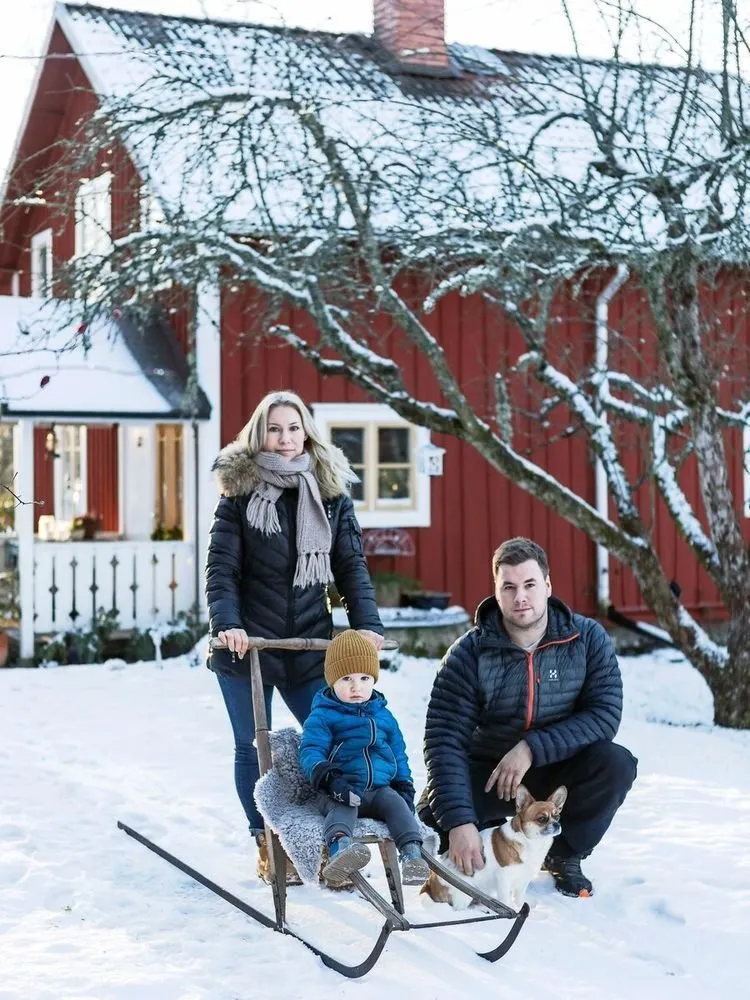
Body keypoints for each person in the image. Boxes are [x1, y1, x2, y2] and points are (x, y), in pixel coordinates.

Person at [206, 390, 384, 883]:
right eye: (274, 429)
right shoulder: (239, 493)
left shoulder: (329, 492)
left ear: (306, 431)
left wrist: (367, 624)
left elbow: (350, 565)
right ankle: (266, 842)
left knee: (333, 743)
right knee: (253, 747)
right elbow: (222, 568)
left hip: (309, 643)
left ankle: (334, 840)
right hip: (249, 648)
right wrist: (228, 625)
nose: (284, 440)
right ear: (259, 433)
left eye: (293, 428)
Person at [418, 537, 637, 898]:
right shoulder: (469, 653)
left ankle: (564, 855)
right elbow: (444, 740)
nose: (521, 597)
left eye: (530, 585)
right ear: (497, 591)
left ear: (548, 586)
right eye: (509, 587)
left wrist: (531, 748)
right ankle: (485, 836)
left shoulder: (587, 639)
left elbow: (604, 715)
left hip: (556, 770)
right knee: (436, 818)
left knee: (615, 763)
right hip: (490, 774)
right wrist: (459, 822)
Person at [299, 630, 430, 887]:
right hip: (341, 790)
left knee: (397, 805)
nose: (356, 686)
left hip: (379, 790)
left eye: (364, 678)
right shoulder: (323, 716)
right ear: (332, 681)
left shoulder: (384, 717)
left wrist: (404, 784)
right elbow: (310, 751)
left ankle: (412, 854)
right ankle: (340, 851)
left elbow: (398, 754)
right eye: (346, 678)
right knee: (342, 809)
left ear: (374, 679)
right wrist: (330, 780)